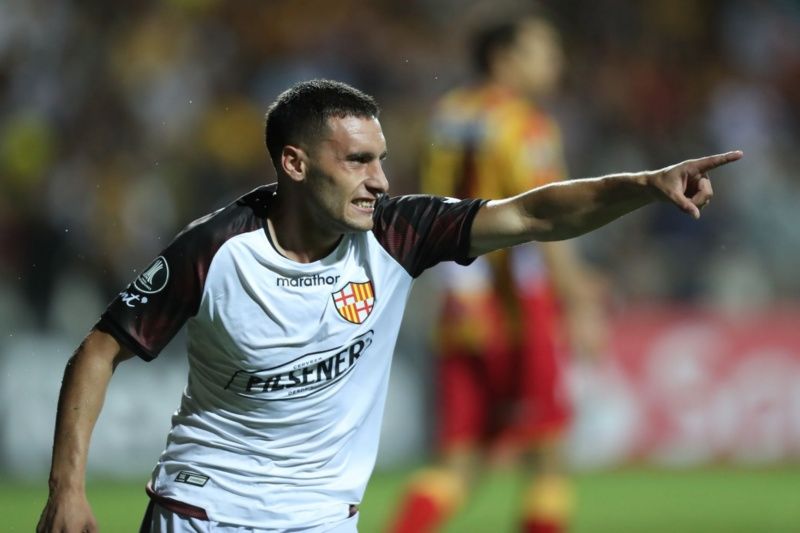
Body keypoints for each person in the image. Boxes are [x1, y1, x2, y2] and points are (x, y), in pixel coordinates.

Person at [36, 78, 740, 533]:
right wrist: (68, 489)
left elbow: (533, 214)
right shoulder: (215, 250)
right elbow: (98, 350)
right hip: (203, 510)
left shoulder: (399, 232)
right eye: (357, 161)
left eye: (380, 158)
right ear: (294, 163)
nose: (380, 179)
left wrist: (644, 184)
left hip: (323, 519)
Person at [389, 13, 604, 533]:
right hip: (515, 305)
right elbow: (545, 217)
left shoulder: (447, 115)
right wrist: (578, 301)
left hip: (457, 300)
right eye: (544, 51)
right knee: (547, 458)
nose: (556, 62)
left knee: (458, 461)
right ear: (505, 59)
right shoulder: (524, 124)